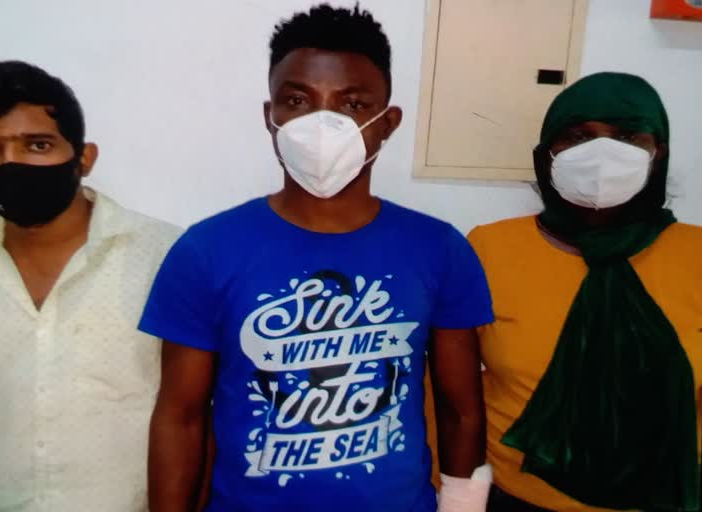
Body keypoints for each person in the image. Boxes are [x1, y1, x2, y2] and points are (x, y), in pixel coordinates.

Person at [139, 4, 494, 512]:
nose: (323, 124)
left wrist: (463, 504)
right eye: (298, 100)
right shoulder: (206, 251)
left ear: (387, 123)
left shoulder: (440, 249)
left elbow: (461, 411)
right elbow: (180, 418)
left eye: (352, 104)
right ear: (270, 117)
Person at [0, 53, 181, 511]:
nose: (11, 163)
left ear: (84, 158)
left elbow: (193, 415)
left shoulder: (165, 255)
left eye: (37, 145)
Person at [469, 72, 702, 512]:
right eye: (577, 137)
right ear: (547, 155)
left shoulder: (697, 256)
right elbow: (450, 388)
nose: (601, 155)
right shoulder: (489, 248)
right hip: (513, 499)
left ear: (659, 152)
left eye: (627, 137)